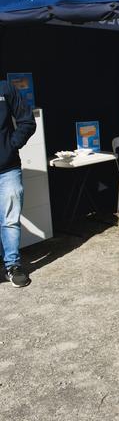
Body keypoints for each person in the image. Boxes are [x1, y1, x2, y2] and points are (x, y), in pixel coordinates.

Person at [0, 80, 36, 288]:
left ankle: (12, 265)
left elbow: (27, 121)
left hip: (7, 169)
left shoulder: (6, 89)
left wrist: (11, 146)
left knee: (10, 219)